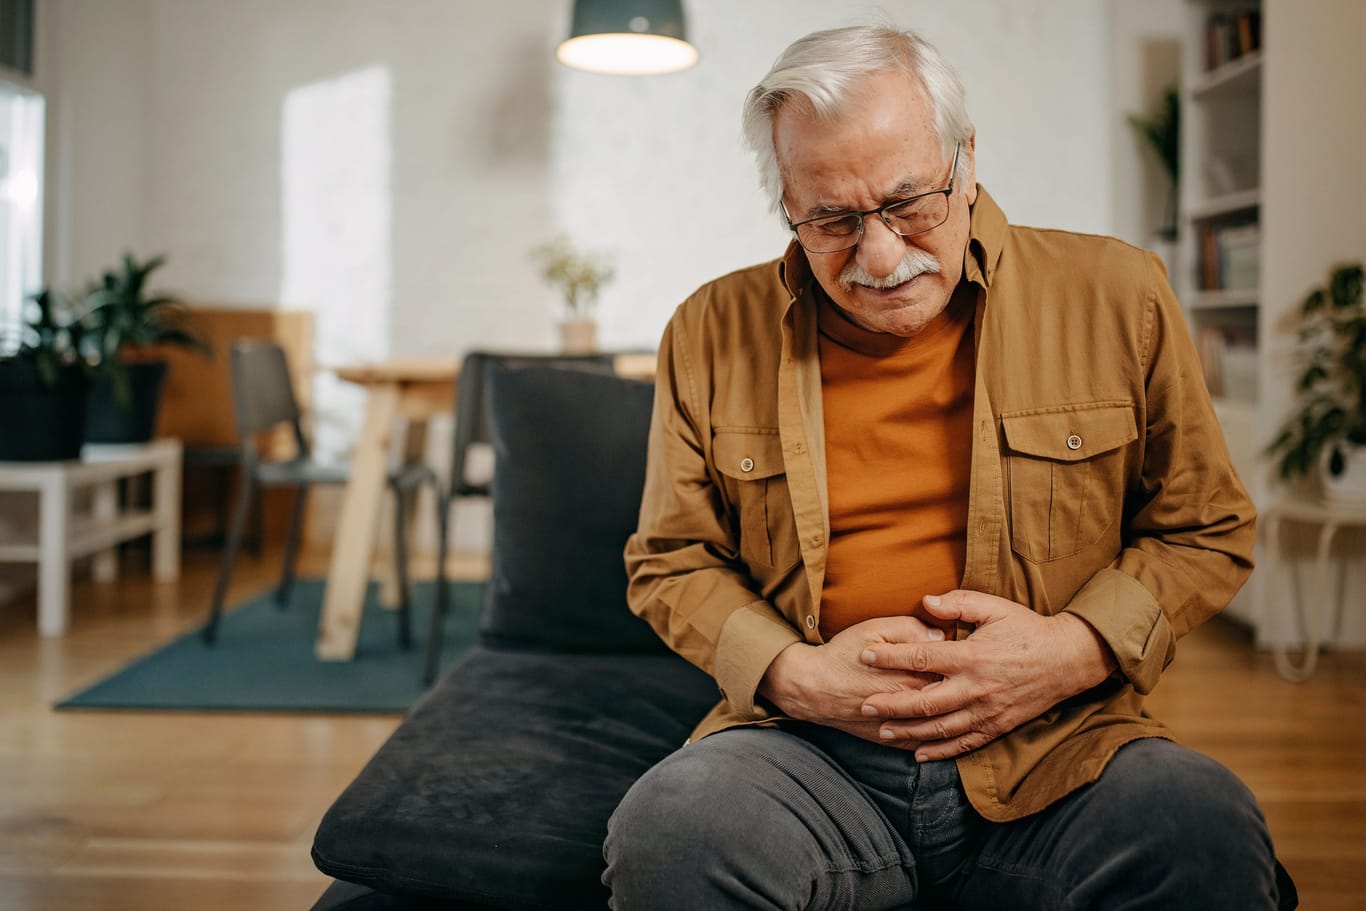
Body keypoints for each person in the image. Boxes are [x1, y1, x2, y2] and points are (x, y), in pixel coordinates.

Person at [604, 24, 1296, 911]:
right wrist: (794, 673)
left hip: (1060, 744)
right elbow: (671, 560)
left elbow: (1207, 527)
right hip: (805, 750)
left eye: (909, 204)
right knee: (673, 825)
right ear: (786, 204)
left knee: (1200, 822)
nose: (882, 257)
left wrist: (1069, 651)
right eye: (833, 220)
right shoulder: (707, 329)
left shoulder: (1119, 295)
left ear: (966, 162)